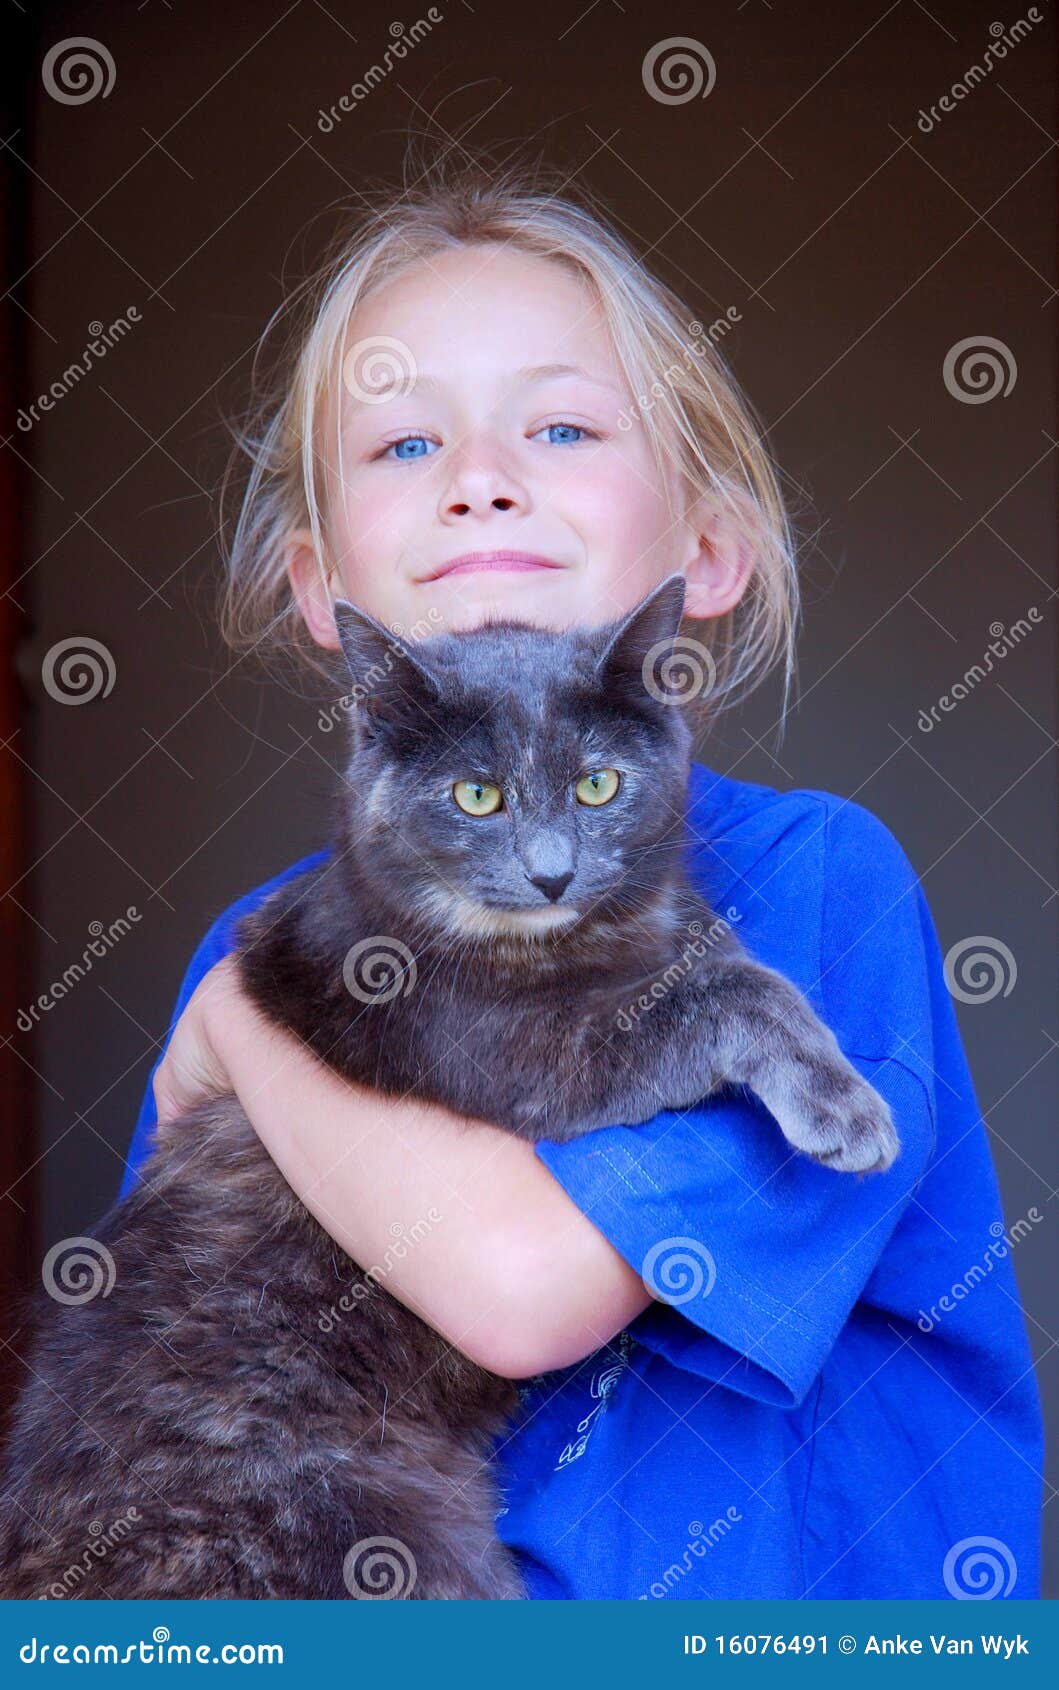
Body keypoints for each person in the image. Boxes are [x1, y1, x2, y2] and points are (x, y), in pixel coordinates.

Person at [119, 159, 1043, 1600]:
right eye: (405, 445)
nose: (483, 477)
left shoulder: (809, 880)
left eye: (558, 424)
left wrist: (244, 1021)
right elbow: (168, 1402)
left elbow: (521, 1284)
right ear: (321, 591)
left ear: (710, 550)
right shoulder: (283, 942)